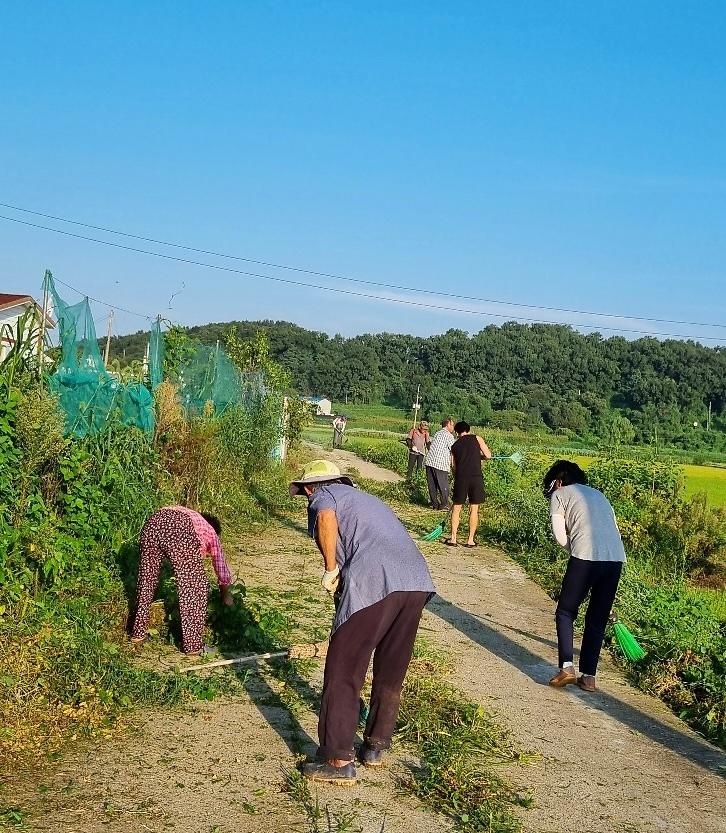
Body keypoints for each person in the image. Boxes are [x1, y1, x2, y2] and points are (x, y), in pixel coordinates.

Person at [290, 459, 436, 786]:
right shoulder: (367, 501)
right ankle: (375, 746)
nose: (307, 498)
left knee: (343, 667)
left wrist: (329, 568)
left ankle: (339, 760)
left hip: (376, 581)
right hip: (415, 582)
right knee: (391, 668)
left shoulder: (325, 496)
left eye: (306, 492)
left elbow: (326, 519)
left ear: (311, 487)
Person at [543, 460, 626, 692]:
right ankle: (588, 677)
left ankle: (567, 668)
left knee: (566, 611)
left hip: (585, 558)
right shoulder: (600, 495)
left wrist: (579, 549)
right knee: (596, 620)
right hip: (615, 559)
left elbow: (560, 537)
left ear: (558, 481)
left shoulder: (560, 494)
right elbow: (614, 531)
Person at [130, 506, 235, 656]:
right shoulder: (210, 531)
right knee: (195, 586)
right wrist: (226, 595)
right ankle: (193, 646)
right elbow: (220, 566)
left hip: (152, 524)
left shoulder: (189, 514)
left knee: (146, 579)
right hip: (180, 529)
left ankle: (137, 634)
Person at [445, 422, 492, 547]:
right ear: (468, 430)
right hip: (476, 477)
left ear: (457, 432)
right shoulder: (477, 439)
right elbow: (488, 456)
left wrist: (457, 477)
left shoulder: (454, 445)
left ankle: (453, 538)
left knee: (456, 509)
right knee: (474, 509)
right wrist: (479, 457)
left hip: (461, 478)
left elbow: (453, 466)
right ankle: (470, 540)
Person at [425, 418, 456, 509]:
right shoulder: (448, 436)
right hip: (440, 464)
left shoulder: (437, 433)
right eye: (452, 425)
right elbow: (454, 449)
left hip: (430, 461)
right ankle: (444, 504)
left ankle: (434, 504)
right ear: (448, 425)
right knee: (443, 486)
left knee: (432, 485)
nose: (453, 427)